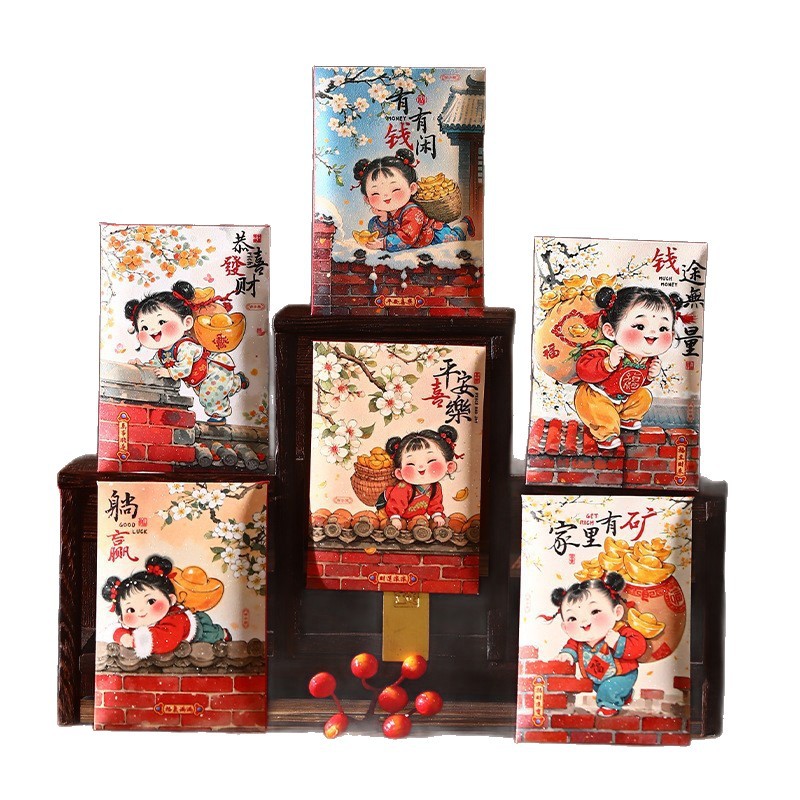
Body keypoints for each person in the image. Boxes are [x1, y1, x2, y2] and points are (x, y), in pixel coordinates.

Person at [574, 285, 685, 449]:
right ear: (610, 331)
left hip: (623, 397)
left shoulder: (647, 359)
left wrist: (649, 376)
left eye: (663, 328)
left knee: (644, 396)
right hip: (596, 395)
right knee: (600, 411)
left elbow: (634, 381)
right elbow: (583, 370)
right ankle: (606, 433)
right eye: (640, 326)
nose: (653, 334)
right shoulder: (607, 350)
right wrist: (607, 363)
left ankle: (627, 417)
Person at [126, 280, 248, 424]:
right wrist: (141, 365)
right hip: (200, 379)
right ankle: (238, 381)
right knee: (219, 388)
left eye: (161, 322)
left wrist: (169, 372)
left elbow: (184, 369)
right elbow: (156, 365)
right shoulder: (161, 353)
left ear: (187, 323)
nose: (152, 330)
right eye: (144, 327)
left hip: (214, 370)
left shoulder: (185, 346)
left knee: (210, 396)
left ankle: (219, 415)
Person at [546, 572, 646, 717]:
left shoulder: (619, 631)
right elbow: (571, 647)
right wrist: (567, 654)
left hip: (623, 674)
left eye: (594, 611)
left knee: (608, 689)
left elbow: (639, 646)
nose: (584, 623)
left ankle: (609, 706)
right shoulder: (578, 641)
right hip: (596, 677)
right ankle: (624, 695)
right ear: (565, 627)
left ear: (617, 612)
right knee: (602, 688)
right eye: (573, 618)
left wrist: (619, 642)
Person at [101, 555, 228, 659]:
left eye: (151, 601)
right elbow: (127, 632)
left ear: (171, 599)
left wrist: (135, 641)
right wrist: (122, 635)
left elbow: (166, 640)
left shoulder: (175, 617)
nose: (141, 611)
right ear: (122, 619)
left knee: (214, 635)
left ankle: (223, 633)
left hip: (200, 629)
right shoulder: (139, 624)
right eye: (131, 610)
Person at [354, 148, 472, 252]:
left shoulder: (413, 211)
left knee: (456, 236)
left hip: (436, 237)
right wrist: (383, 219)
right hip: (413, 244)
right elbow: (376, 233)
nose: (386, 197)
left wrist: (383, 244)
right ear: (367, 199)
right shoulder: (385, 212)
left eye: (395, 189)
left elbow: (408, 237)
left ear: (412, 188)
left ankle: (465, 223)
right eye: (375, 193)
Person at [379, 425, 458, 528]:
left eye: (431, 460)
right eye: (411, 464)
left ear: (449, 466)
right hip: (390, 512)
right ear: (399, 473)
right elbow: (396, 502)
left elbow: (435, 503)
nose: (421, 467)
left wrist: (437, 515)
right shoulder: (404, 487)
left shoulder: (435, 487)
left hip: (415, 518)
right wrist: (394, 517)